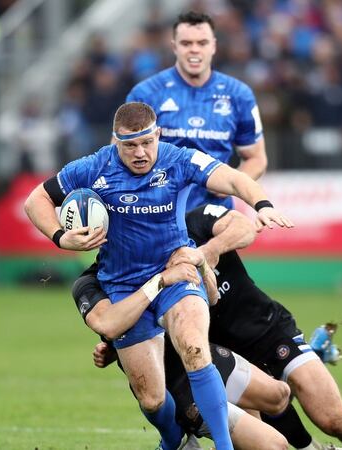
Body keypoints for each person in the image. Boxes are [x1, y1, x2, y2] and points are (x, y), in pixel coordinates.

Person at [24, 101, 293, 450]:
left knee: (195, 347)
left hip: (175, 273)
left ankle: (223, 447)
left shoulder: (178, 160)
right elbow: (36, 201)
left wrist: (262, 205)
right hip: (123, 286)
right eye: (130, 145)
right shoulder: (93, 167)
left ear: (158, 135)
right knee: (151, 399)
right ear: (115, 141)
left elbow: (233, 178)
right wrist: (61, 237)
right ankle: (173, 441)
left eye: (147, 142)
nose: (140, 152)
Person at [156, 204, 342, 450]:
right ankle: (315, 355)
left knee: (337, 422)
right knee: (276, 435)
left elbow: (245, 228)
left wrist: (209, 251)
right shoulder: (143, 261)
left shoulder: (197, 219)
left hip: (270, 331)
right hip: (225, 355)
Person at [73, 253, 291, 450]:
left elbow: (213, 298)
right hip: (176, 384)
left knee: (280, 396)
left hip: (203, 357)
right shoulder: (89, 283)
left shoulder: (160, 248)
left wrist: (202, 262)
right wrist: (160, 281)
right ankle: (188, 436)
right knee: (275, 446)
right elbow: (109, 325)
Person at [127, 10, 268, 212]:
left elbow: (257, 158)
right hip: (159, 215)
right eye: (186, 43)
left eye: (202, 43)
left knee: (240, 232)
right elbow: (120, 153)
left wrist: (230, 184)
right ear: (174, 47)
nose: (194, 50)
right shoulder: (146, 93)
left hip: (214, 213)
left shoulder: (239, 94)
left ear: (214, 46)